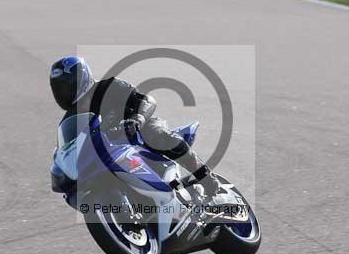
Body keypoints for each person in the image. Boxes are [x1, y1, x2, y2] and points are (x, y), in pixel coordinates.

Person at [50, 55, 221, 195]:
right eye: (58, 89)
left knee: (156, 134)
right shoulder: (70, 118)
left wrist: (138, 119)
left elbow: (147, 100)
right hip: (110, 153)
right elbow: (70, 148)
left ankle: (205, 177)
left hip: (139, 131)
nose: (63, 93)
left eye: (67, 87)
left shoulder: (109, 87)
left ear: (81, 79)